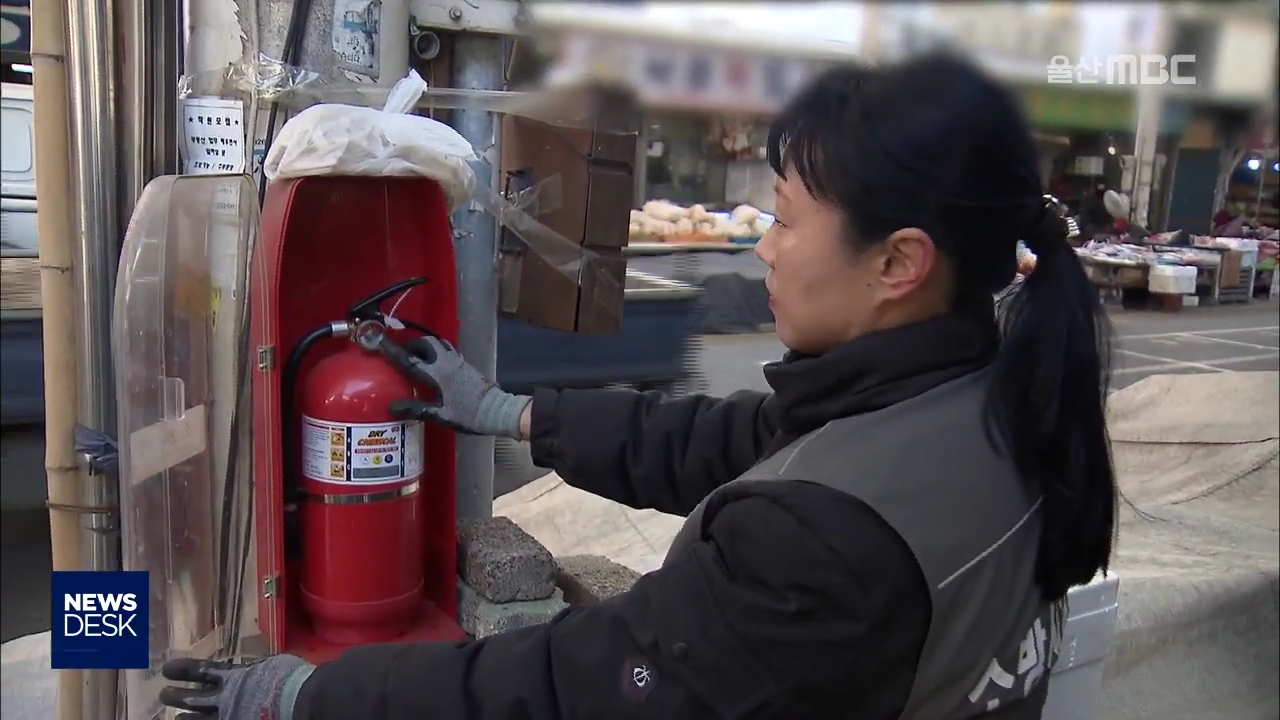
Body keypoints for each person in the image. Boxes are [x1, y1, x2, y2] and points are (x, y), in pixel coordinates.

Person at [160, 53, 1119, 720]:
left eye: (786, 220)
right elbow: (718, 440)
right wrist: (509, 413)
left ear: (899, 262)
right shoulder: (991, 401)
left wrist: (318, 696)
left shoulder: (823, 543)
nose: (764, 248)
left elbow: (577, 688)